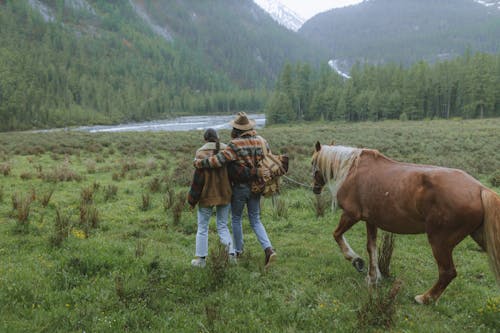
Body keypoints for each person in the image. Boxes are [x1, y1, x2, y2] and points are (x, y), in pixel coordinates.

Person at [193, 112, 276, 269]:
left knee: (236, 219)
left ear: (237, 129)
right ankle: (268, 249)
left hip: (240, 187)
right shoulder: (261, 141)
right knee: (256, 219)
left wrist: (200, 163)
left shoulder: (235, 144)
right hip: (257, 186)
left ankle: (237, 251)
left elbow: (218, 160)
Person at [187, 128, 235, 268]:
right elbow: (233, 174)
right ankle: (231, 257)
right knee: (223, 226)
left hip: (206, 195)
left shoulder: (200, 153)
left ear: (205, 139)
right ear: (217, 137)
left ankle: (201, 261)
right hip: (225, 193)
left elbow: (198, 180)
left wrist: (192, 200)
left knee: (202, 227)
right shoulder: (227, 151)